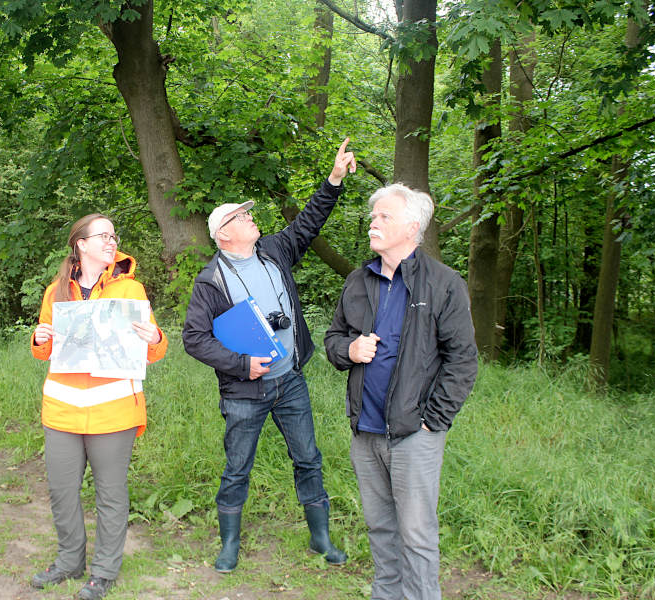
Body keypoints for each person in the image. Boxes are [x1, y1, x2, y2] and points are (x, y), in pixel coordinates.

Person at [182, 138, 357, 573]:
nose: (250, 216)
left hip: (290, 381)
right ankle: (229, 546)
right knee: (237, 468)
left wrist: (334, 180)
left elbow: (310, 222)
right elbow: (194, 338)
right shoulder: (210, 282)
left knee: (308, 458)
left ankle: (320, 539)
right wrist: (242, 365)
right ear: (225, 233)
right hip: (245, 390)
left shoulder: (275, 251)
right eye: (242, 215)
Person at [324, 184, 478, 600]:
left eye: (384, 217)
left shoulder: (444, 284)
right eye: (373, 216)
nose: (373, 222)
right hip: (366, 431)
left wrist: (433, 421)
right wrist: (349, 350)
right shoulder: (359, 280)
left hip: (415, 434)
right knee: (379, 526)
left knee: (416, 534)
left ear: (413, 226)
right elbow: (333, 339)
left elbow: (462, 361)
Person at [30, 214, 167, 600]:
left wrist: (155, 336)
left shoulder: (132, 290)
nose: (111, 241)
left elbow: (155, 349)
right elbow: (44, 350)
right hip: (62, 408)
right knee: (61, 490)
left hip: (114, 409)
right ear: (81, 244)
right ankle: (69, 562)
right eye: (103, 235)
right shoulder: (54, 291)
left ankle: (103, 572)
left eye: (113, 235)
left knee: (110, 493)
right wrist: (40, 338)